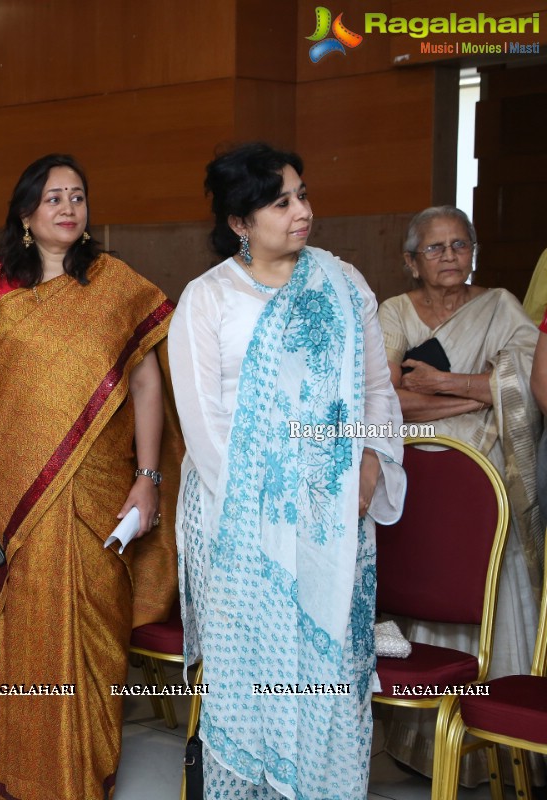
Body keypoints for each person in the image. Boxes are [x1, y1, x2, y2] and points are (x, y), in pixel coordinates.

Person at [169, 142, 406, 799]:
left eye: (302, 195)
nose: (302, 211)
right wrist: (269, 513)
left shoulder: (343, 282)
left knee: (326, 672)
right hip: (243, 523)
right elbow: (204, 426)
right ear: (241, 223)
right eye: (282, 202)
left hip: (337, 512)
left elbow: (376, 390)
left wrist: (366, 469)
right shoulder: (208, 299)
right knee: (253, 672)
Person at [0, 154, 175, 799]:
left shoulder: (116, 284)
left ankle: (90, 773)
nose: (69, 207)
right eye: (53, 198)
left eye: (77, 196)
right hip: (15, 492)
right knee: (24, 634)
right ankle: (28, 778)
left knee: (98, 634)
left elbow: (145, 384)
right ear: (26, 213)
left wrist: (149, 476)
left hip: (103, 491)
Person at [378, 205, 544, 786]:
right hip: (414, 478)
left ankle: (498, 739)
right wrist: (479, 394)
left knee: (483, 575)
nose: (449, 257)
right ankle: (417, 738)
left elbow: (527, 389)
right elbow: (385, 398)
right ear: (410, 261)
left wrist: (443, 383)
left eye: (459, 245)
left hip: (484, 479)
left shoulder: (501, 307)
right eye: (435, 248)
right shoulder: (394, 312)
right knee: (421, 579)